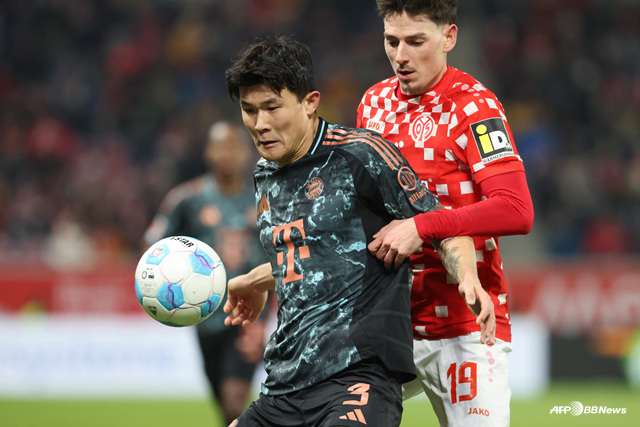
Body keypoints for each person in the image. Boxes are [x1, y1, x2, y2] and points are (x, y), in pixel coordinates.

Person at [222, 34, 495, 427]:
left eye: (272, 108)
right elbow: (321, 253)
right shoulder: (264, 174)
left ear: (310, 102)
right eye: (249, 110)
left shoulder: (360, 155)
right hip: (283, 387)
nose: (260, 124)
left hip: (357, 378)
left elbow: (441, 225)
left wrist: (468, 277)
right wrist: (256, 280)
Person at [356, 1, 535, 426]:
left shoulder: (475, 107)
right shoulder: (373, 104)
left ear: (449, 37)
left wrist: (423, 225)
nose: (401, 56)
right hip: (389, 321)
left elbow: (517, 210)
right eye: (392, 41)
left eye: (416, 41)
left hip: (465, 322)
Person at [143, 121, 268, 426]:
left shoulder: (264, 197)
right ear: (208, 153)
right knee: (224, 407)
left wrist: (266, 316)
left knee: (235, 400)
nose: (228, 153)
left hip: (247, 313)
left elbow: (279, 256)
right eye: (221, 146)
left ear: (246, 152)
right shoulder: (187, 199)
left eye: (234, 146)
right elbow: (153, 247)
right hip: (204, 314)